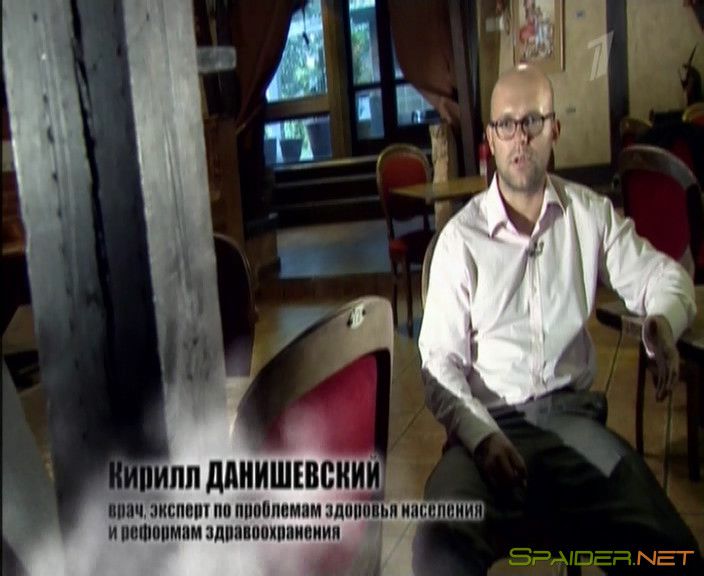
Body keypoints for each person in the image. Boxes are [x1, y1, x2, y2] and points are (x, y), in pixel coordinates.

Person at [413, 63, 701, 575]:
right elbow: (438, 364)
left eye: (533, 121)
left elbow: (668, 278)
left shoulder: (589, 214)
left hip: (574, 424)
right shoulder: (460, 241)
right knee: (440, 545)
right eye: (506, 124)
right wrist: (481, 437)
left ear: (554, 130)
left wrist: (661, 321)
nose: (520, 137)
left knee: (670, 552)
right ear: (490, 140)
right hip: (486, 428)